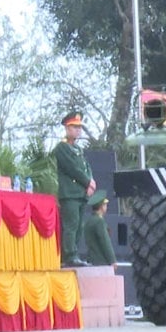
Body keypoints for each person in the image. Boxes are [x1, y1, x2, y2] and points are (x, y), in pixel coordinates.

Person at [56, 111, 95, 267]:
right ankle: (68, 256)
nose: (78, 130)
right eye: (74, 127)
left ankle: (75, 254)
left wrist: (91, 180)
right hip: (69, 193)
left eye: (79, 127)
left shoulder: (78, 149)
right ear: (67, 128)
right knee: (71, 226)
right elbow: (72, 169)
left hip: (80, 193)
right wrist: (87, 182)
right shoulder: (62, 148)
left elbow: (86, 167)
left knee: (79, 225)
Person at [83, 191, 117, 269]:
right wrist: (112, 260)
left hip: (91, 261)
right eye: (105, 205)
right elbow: (105, 242)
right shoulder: (99, 221)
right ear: (102, 206)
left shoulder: (89, 221)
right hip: (101, 262)